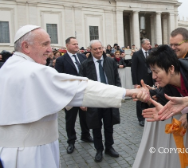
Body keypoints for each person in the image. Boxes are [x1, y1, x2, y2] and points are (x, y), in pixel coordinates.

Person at [0, 25, 148, 168]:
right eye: (45, 44)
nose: (50, 50)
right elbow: (81, 89)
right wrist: (128, 92)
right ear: (26, 46)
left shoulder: (9, 67)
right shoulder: (33, 71)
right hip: (31, 154)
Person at [133, 45, 188, 168]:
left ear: (171, 68)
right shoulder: (169, 82)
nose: (153, 77)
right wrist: (147, 96)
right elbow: (163, 98)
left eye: (156, 71)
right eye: (152, 71)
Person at [80, 40, 120, 162]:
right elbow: (81, 84)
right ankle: (99, 150)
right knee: (95, 126)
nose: (98, 51)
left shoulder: (110, 61)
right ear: (90, 50)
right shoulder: (85, 64)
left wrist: (118, 93)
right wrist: (82, 101)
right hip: (93, 100)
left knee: (109, 125)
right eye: (95, 49)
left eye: (100, 48)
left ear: (103, 48)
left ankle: (109, 147)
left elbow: (116, 78)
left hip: (108, 98)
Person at [55, 37, 93, 154]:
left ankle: (85, 135)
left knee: (85, 117)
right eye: (74, 44)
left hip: (83, 93)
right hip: (70, 95)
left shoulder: (82, 57)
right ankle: (71, 141)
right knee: (70, 119)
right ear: (67, 45)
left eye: (77, 43)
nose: (77, 46)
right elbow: (59, 79)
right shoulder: (61, 60)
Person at [131, 38, 153, 126]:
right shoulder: (136, 54)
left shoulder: (151, 53)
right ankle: (140, 118)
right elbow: (134, 69)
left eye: (149, 43)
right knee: (140, 99)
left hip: (150, 80)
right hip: (141, 80)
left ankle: (149, 114)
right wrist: (135, 82)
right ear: (143, 45)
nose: (149, 45)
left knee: (149, 97)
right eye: (147, 44)